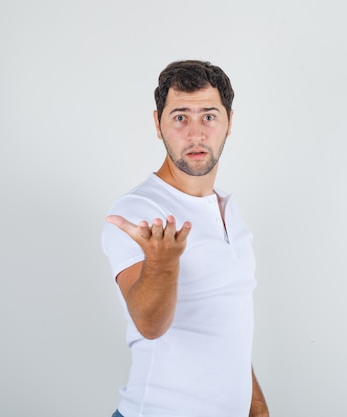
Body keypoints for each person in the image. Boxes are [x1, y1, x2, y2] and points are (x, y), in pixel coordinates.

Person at [101, 60, 269, 417]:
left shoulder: (228, 209)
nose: (195, 134)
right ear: (158, 125)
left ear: (229, 123)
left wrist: (257, 409)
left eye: (209, 116)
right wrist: (161, 264)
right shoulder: (137, 211)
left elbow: (228, 332)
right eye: (180, 117)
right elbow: (149, 325)